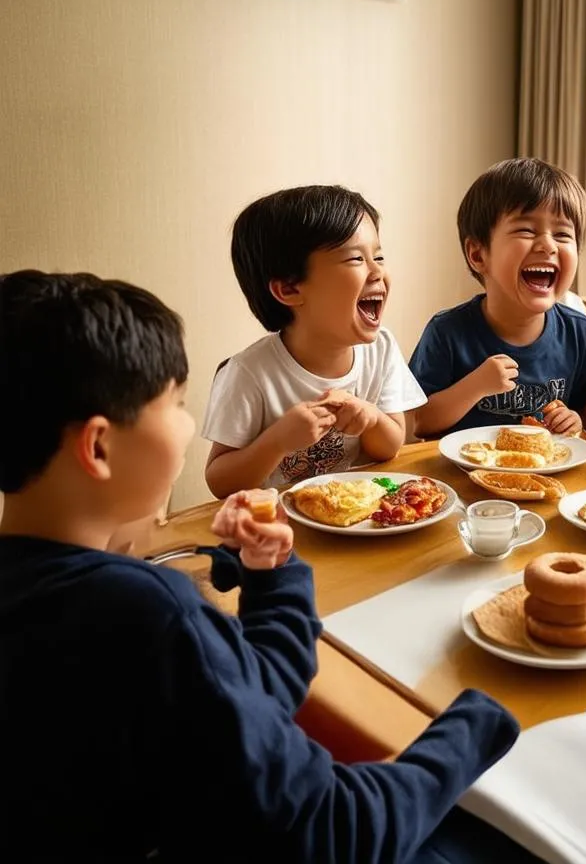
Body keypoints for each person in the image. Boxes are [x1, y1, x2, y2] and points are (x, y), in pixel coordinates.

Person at [0, 270, 531, 862]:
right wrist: (484, 717)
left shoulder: (60, 597)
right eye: (175, 404)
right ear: (98, 447)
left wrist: (272, 574)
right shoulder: (149, 613)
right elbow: (338, 831)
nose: (188, 424)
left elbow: (243, 696)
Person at [203, 186, 425, 498]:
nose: (378, 271)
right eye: (355, 259)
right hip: (280, 531)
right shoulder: (249, 374)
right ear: (289, 290)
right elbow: (220, 482)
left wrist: (370, 418)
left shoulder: (381, 348)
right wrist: (278, 441)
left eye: (378, 256)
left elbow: (391, 447)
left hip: (358, 519)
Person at [410, 157, 586, 439]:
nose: (549, 245)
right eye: (526, 230)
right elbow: (417, 422)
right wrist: (474, 386)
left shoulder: (584, 335)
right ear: (478, 254)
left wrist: (574, 420)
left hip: (547, 477)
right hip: (459, 479)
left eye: (563, 234)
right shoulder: (446, 332)